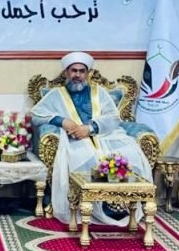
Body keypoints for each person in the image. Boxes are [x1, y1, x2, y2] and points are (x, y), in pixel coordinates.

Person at [30, 52, 152, 226]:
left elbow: (113, 117)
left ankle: (120, 206)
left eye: (82, 71)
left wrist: (91, 128)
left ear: (87, 73)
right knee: (83, 157)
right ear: (66, 72)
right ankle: (86, 207)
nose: (77, 75)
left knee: (131, 153)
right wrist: (62, 121)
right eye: (74, 70)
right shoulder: (57, 94)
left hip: (105, 136)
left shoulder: (99, 92)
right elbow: (36, 115)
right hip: (74, 140)